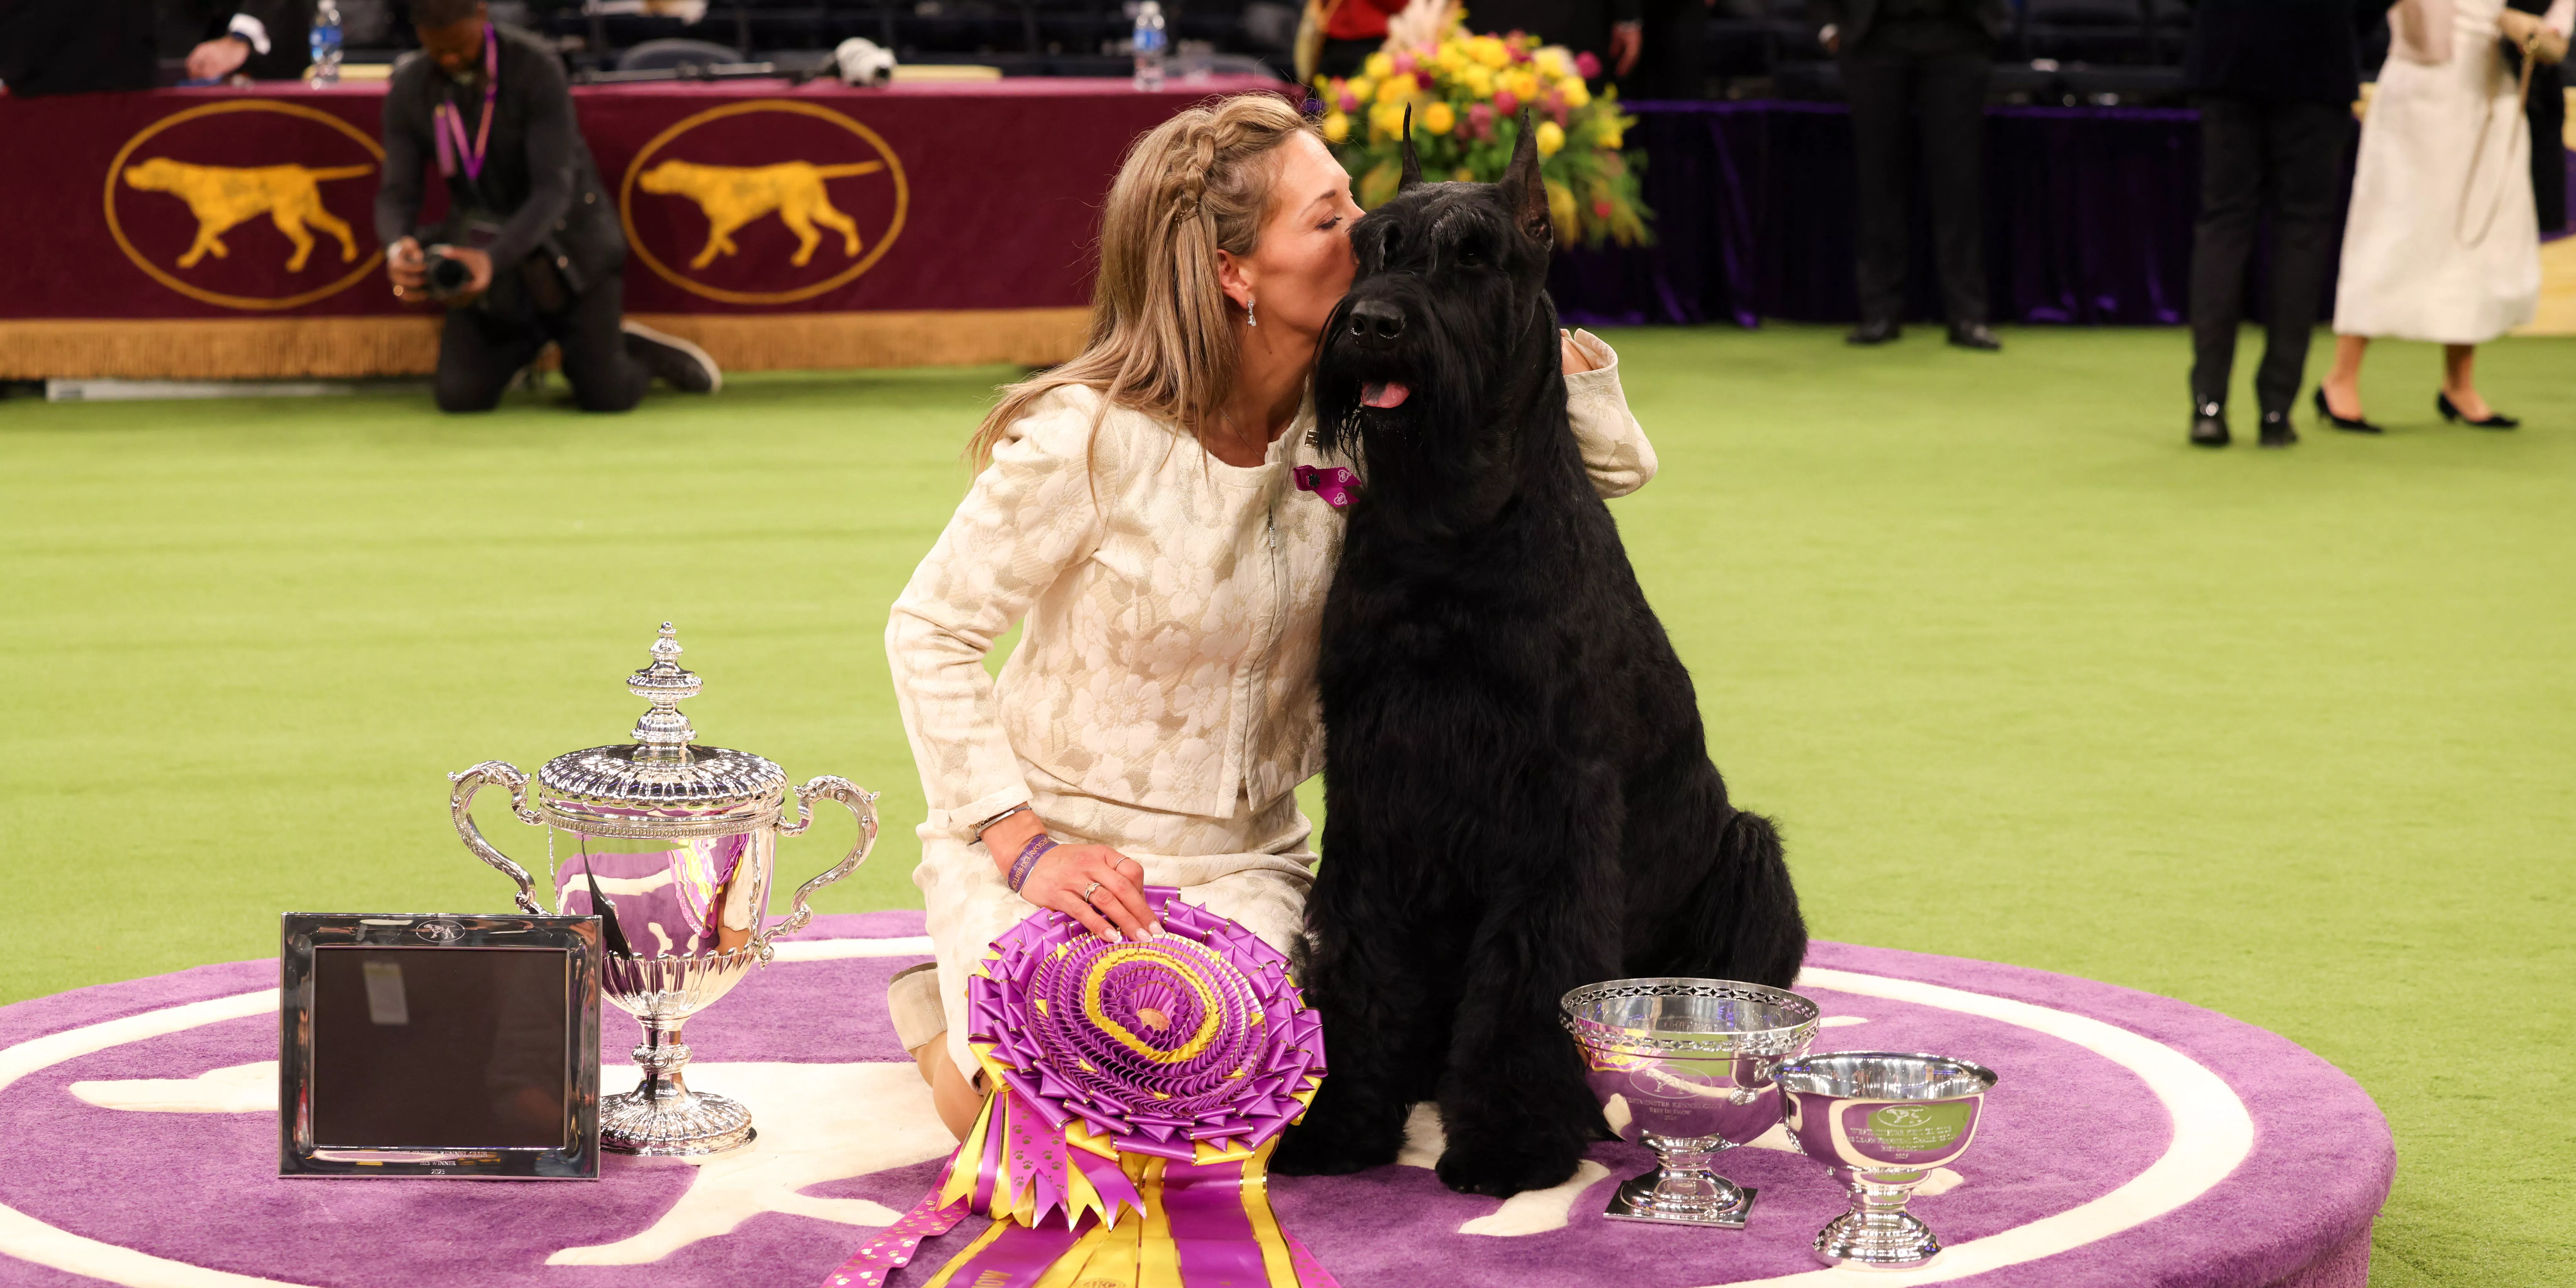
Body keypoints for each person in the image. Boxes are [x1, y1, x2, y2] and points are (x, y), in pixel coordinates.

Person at [882, 94, 1661, 1140]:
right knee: (1055, 1121)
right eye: (1330, 217)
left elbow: (1613, 469)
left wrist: (1522, 320)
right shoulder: (1087, 435)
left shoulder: (1366, 420)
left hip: (1251, 858)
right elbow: (928, 629)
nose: (1368, 237)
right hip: (1060, 846)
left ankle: (1002, 1000)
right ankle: (946, 1009)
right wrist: (1022, 846)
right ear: (1233, 270)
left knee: (1230, 1106)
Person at [375, 0, 718, 413]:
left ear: (481, 15)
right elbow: (398, 193)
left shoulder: (535, 68)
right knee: (460, 399)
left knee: (607, 397)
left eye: (460, 46)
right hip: (487, 254)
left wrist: (491, 258)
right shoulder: (412, 86)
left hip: (572, 246)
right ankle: (526, 345)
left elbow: (553, 190)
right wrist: (398, 246)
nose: (449, 57)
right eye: (437, 48)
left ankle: (633, 350)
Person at [2320, 0, 2569, 432]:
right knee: (2392, 229)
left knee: (2477, 238)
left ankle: (2460, 384)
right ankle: (2341, 378)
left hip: (2496, 92)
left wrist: (2542, 33)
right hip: (2421, 89)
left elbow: (2556, 24)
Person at [2181, 0, 2388, 448]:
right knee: (2302, 232)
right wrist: (2347, 23)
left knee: (2225, 224)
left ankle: (2208, 406)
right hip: (2317, 56)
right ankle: (2277, 411)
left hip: (2229, 54)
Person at [1813, 0, 2012, 349]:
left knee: (1958, 182)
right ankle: (1879, 313)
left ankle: (1967, 315)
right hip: (1874, 37)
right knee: (1877, 179)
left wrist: (1991, 23)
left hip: (1956, 35)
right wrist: (1828, 24)